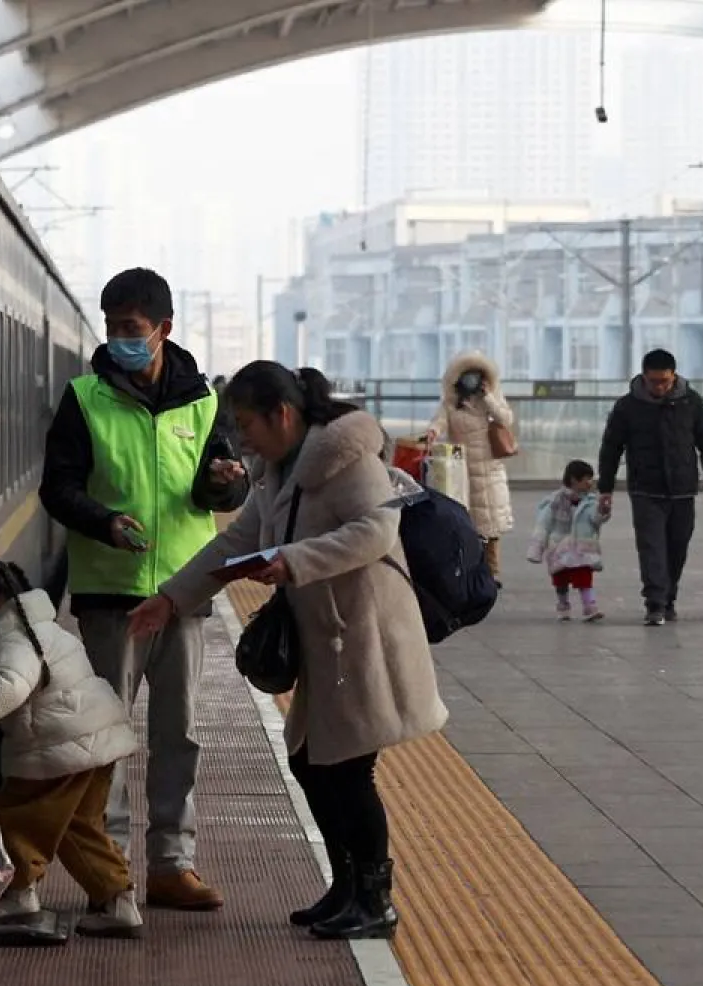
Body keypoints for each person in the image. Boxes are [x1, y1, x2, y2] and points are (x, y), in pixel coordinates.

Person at [127, 362, 449, 941]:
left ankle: (374, 900)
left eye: (247, 423)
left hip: (365, 637)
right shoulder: (279, 469)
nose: (241, 437)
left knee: (346, 771)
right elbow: (236, 539)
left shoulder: (347, 459)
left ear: (282, 413)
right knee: (313, 763)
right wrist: (171, 599)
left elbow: (378, 531)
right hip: (326, 641)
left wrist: (295, 560)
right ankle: (348, 888)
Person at [38, 267, 248, 911]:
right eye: (113, 327)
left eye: (132, 328)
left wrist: (225, 482)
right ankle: (114, 871)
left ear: (164, 329)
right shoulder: (85, 398)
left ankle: (170, 864)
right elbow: (58, 487)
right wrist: (103, 521)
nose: (120, 339)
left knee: (179, 733)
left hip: (183, 596)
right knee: (109, 737)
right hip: (111, 598)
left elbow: (226, 488)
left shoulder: (205, 403)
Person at [0, 559, 143, 937]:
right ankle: (117, 901)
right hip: (93, 743)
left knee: (19, 819)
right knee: (79, 828)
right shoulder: (46, 630)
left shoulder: (16, 641)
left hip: (58, 750)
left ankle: (17, 895)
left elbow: (9, 686)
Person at [596, 349, 703, 626]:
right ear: (644, 376)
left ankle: (669, 597)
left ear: (674, 376)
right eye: (654, 381)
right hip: (645, 489)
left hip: (683, 489)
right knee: (651, 547)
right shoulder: (627, 407)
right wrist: (605, 488)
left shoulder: (691, 403)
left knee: (677, 547)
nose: (659, 387)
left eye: (664, 381)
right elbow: (610, 448)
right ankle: (655, 602)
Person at [425, 351, 514, 583]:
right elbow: (440, 421)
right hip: (460, 468)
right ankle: (469, 570)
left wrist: (489, 399)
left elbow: (506, 419)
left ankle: (492, 572)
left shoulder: (491, 399)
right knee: (466, 522)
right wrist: (433, 432)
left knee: (490, 522)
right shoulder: (452, 403)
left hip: (488, 467)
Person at [526, 460, 609, 623]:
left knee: (584, 577)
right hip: (559, 549)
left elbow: (595, 520)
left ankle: (589, 606)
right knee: (561, 579)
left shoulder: (591, 502)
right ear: (573, 480)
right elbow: (543, 525)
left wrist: (602, 511)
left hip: (582, 548)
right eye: (586, 479)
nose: (590, 483)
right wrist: (536, 549)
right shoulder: (555, 502)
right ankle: (563, 605)